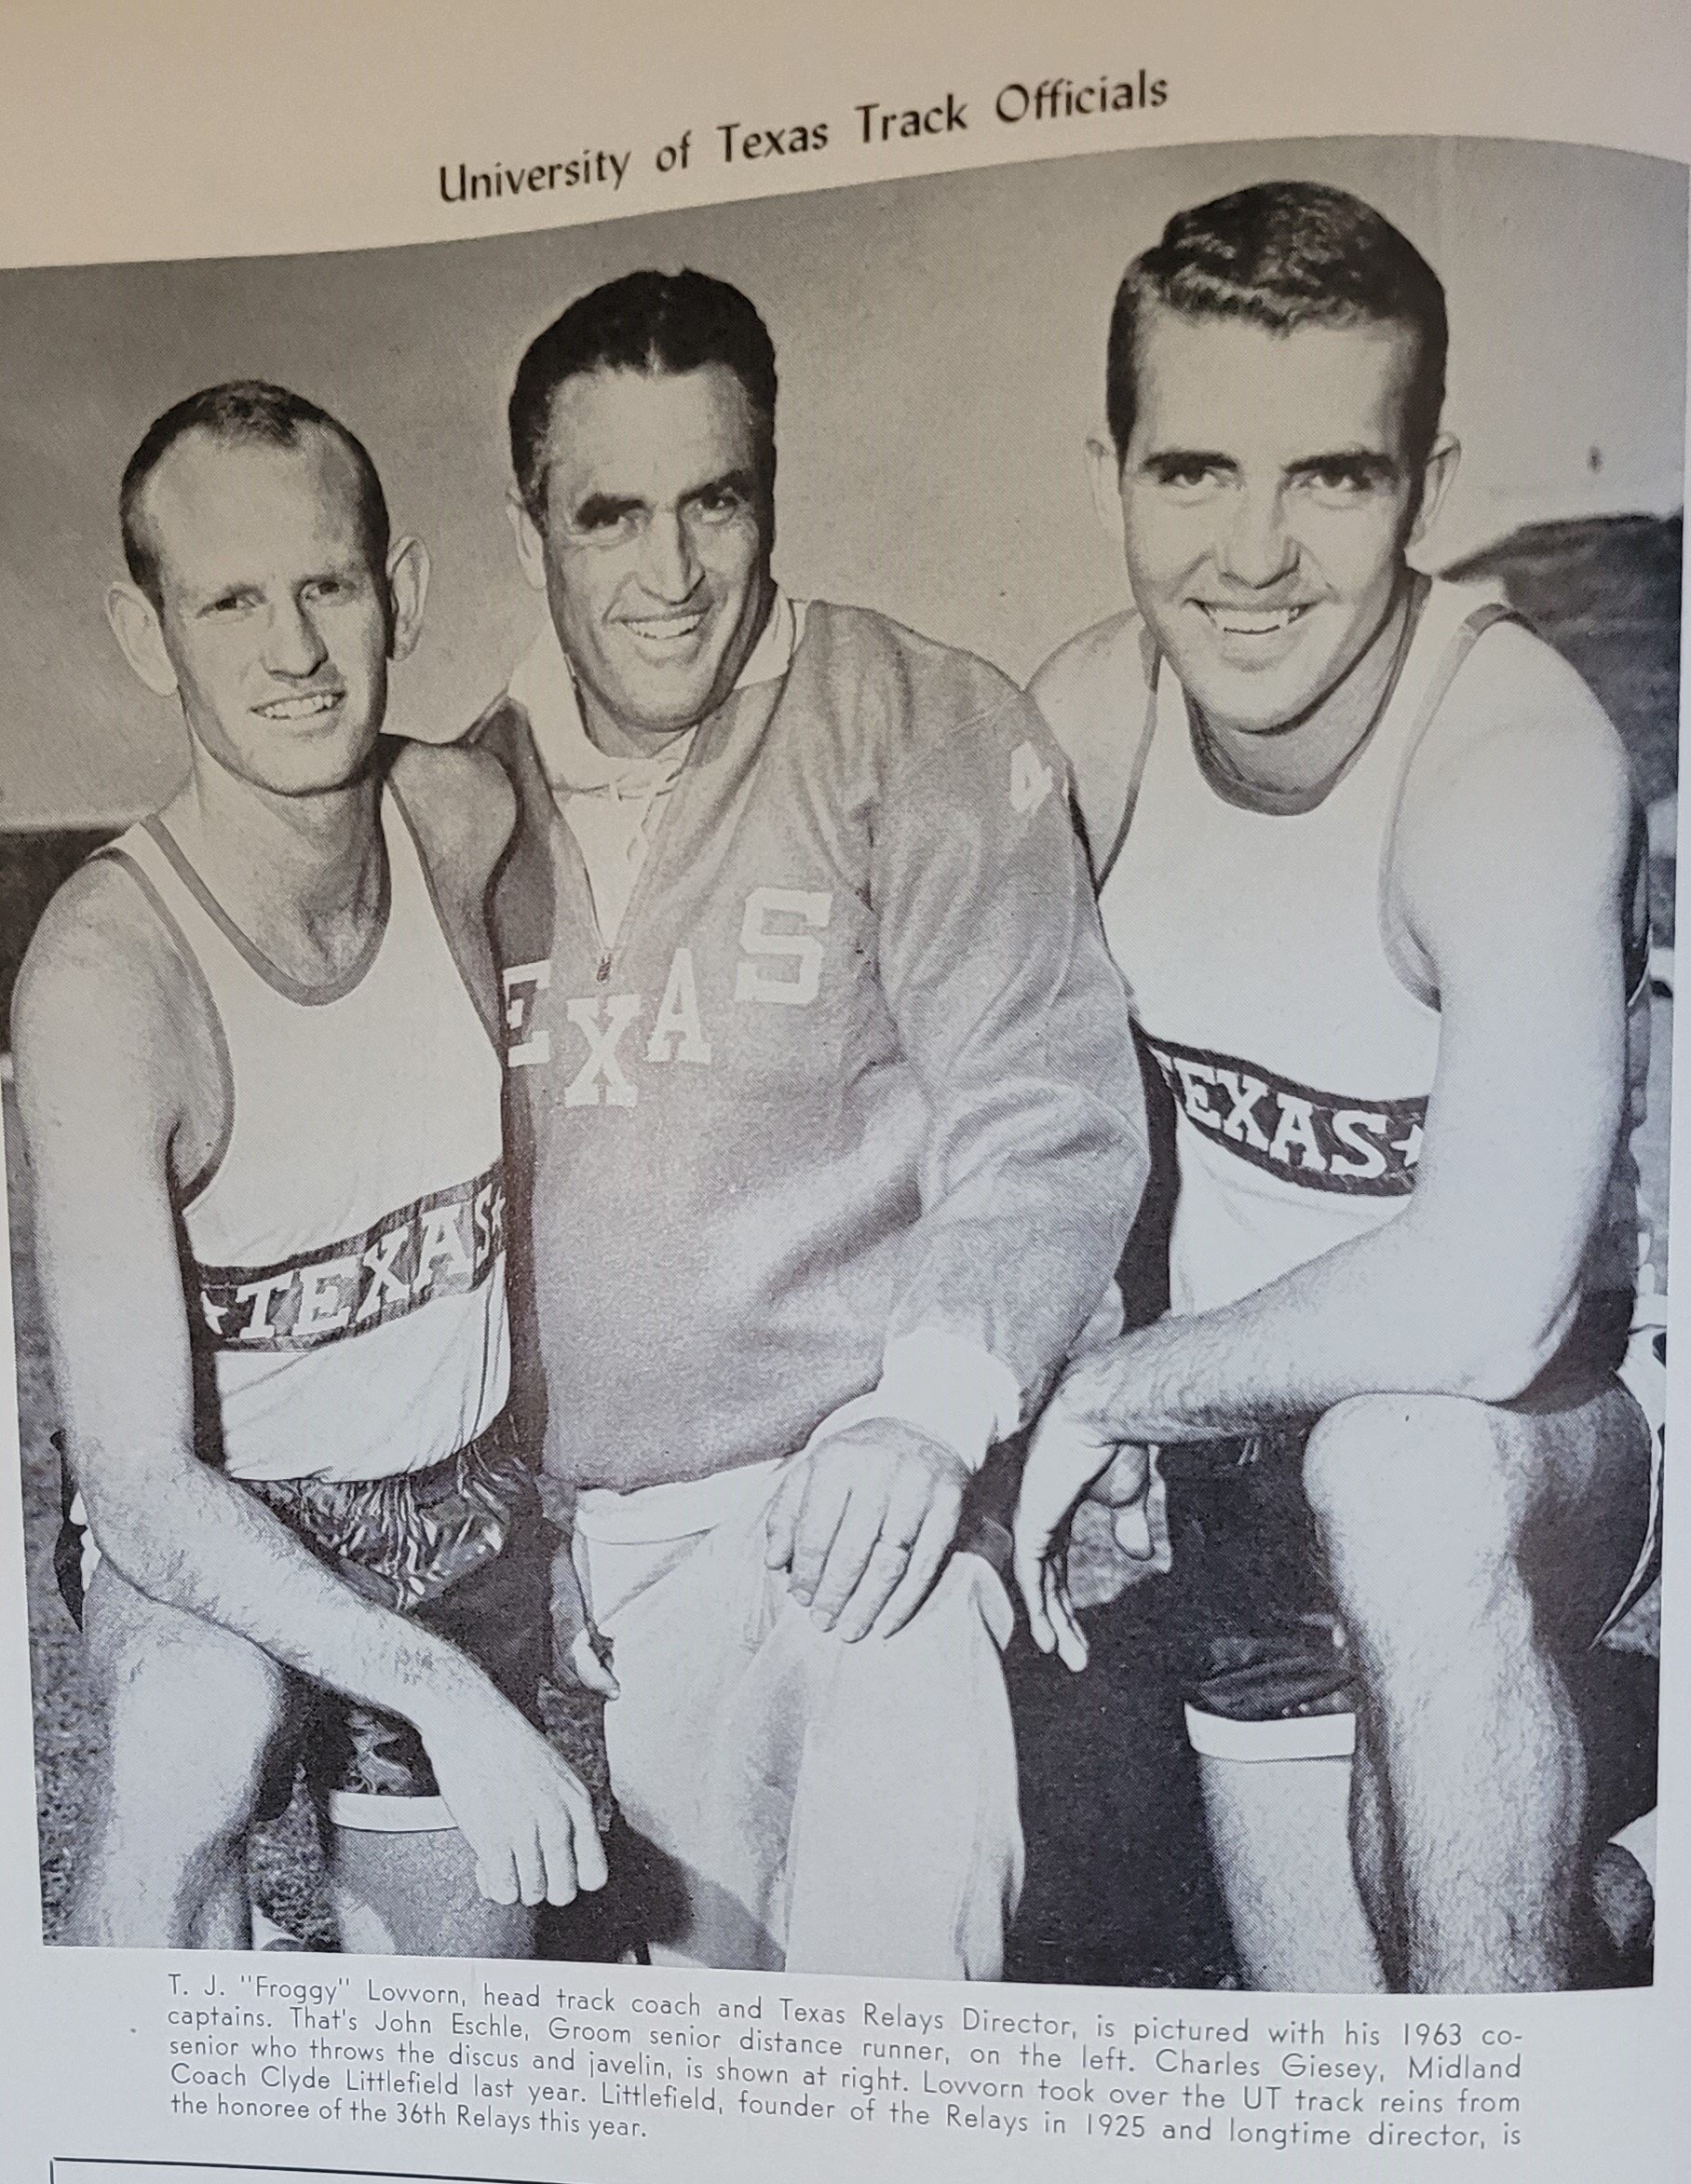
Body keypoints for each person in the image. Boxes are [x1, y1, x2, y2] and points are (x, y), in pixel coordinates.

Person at [1016, 182, 1663, 1993]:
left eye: (1330, 476)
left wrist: (1108, 1391)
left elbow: (1483, 1298)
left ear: (1425, 491)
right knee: (1328, 2052)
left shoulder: (1508, 750)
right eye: (1191, 472)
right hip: (1229, 1463)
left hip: (1538, 1461)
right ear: (1109, 475)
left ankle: (1515, 2092)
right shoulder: (1080, 725)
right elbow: (973, 1120)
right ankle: (1571, 1923)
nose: (1251, 553)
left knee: (1393, 1468)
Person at [472, 268, 1145, 1977]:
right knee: (689, 2043)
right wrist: (518, 1514)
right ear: (530, 521)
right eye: (610, 513)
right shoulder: (456, 799)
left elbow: (1045, 1114)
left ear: (772, 484)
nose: (673, 570)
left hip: (856, 1491)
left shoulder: (921, 720)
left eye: (718, 499)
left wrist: (925, 1426)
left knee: (892, 1970)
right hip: (583, 1550)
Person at [15, 382, 607, 1951]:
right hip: (224, 1527)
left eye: (326, 586)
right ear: (150, 637)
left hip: (457, 1503)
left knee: (446, 2090)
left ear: (398, 592)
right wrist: (440, 1690)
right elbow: (138, 1483)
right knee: (193, 1734)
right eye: (229, 601)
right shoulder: (107, 975)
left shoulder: (460, 816)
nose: (291, 651)